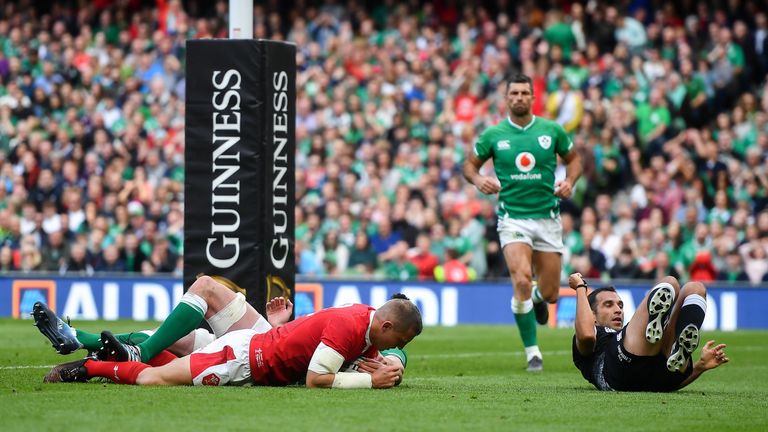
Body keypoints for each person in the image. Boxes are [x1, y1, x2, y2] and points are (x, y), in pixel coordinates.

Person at [43, 276, 422, 389]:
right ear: (387, 326)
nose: (398, 351)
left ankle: (84, 341)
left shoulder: (372, 336)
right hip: (254, 351)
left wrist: (395, 362)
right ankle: (99, 357)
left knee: (173, 347)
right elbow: (317, 378)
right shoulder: (357, 327)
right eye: (399, 344)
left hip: (264, 342)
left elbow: (396, 356)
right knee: (205, 287)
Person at [463, 73, 582, 371]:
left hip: (547, 219)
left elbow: (575, 160)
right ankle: (533, 354)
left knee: (552, 293)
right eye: (513, 93)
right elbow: (469, 166)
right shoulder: (493, 135)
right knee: (520, 280)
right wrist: (479, 180)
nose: (518, 98)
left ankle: (539, 298)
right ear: (506, 99)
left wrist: (570, 181)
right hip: (512, 218)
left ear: (532, 97)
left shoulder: (551, 130)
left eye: (523, 93)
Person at [569, 272, 729, 391]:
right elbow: (586, 335)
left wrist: (699, 367)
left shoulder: (624, 333)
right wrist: (581, 288)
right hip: (619, 372)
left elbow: (669, 385)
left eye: (620, 305)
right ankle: (658, 329)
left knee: (696, 288)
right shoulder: (595, 335)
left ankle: (675, 349)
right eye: (608, 305)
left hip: (656, 377)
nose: (618, 310)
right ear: (592, 316)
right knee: (670, 282)